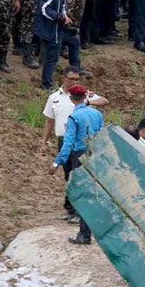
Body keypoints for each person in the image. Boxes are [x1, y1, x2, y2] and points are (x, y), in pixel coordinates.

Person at [42, 68, 106, 220]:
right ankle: (72, 209)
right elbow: (49, 121)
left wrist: (88, 101)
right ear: (64, 78)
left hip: (77, 143)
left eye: (77, 79)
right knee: (69, 175)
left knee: (78, 177)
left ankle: (80, 212)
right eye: (72, 79)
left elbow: (104, 101)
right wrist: (43, 142)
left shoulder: (83, 95)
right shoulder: (54, 97)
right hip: (65, 140)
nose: (75, 81)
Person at [49, 83, 102, 245]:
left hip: (80, 156)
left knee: (82, 195)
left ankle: (84, 235)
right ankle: (92, 231)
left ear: (71, 98)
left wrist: (56, 162)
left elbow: (67, 143)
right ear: (85, 97)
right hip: (95, 155)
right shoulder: (96, 114)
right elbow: (101, 135)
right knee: (91, 194)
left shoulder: (73, 117)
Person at [35, 0, 80, 90]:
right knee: (52, 57)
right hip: (51, 30)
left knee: (75, 40)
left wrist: (65, 16)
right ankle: (46, 84)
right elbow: (44, 9)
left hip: (59, 28)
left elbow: (63, 6)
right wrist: (60, 17)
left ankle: (75, 72)